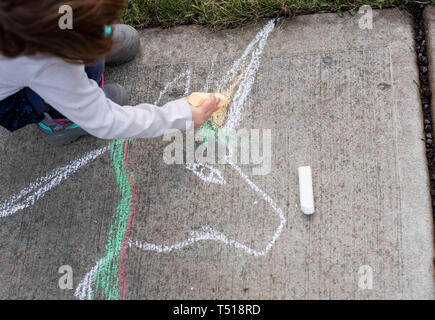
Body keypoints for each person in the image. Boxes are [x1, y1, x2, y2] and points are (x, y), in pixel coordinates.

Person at [0, 0, 220, 145]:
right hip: (12, 98)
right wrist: (180, 116)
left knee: (87, 50)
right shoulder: (47, 61)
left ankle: (86, 36)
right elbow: (105, 121)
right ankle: (61, 120)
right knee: (81, 74)